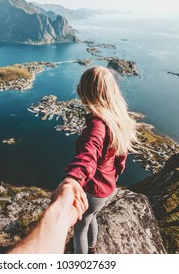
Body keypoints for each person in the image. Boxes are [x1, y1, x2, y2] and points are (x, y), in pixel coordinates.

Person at [64, 66, 138, 254]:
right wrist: (116, 175)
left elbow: (89, 154)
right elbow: (121, 156)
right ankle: (93, 247)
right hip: (108, 186)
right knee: (92, 216)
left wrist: (73, 179)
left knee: (80, 228)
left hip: (94, 189)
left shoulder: (98, 125)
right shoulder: (117, 118)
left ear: (86, 93)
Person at [8, 178, 88, 254]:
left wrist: (71, 178)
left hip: (88, 195)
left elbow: (86, 163)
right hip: (100, 197)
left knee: (80, 232)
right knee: (90, 220)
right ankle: (92, 247)